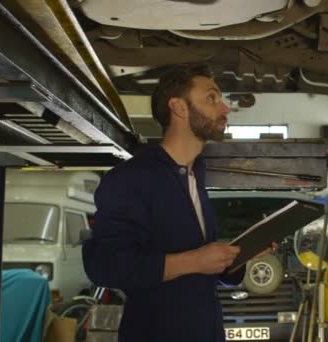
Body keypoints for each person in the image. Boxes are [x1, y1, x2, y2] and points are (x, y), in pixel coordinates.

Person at [83, 64, 259, 341]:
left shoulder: (194, 174)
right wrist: (195, 260)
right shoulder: (132, 178)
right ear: (179, 107)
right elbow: (106, 266)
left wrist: (235, 259)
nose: (225, 109)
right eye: (212, 98)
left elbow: (201, 271)